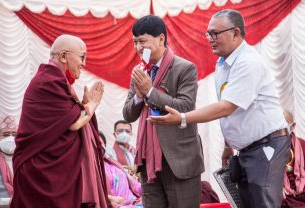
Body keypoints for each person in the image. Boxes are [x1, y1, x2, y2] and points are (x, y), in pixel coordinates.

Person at [148, 9, 290, 208]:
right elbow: (234, 111)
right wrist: (227, 146)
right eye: (208, 34)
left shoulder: (248, 62)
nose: (210, 39)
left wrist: (182, 117)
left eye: (216, 33)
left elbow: (226, 107)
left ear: (236, 33)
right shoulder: (223, 64)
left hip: (266, 146)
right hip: (246, 150)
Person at [11, 34, 110, 208]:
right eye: (82, 57)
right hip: (42, 173)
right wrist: (93, 104)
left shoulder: (57, 81)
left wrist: (84, 105)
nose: (84, 63)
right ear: (64, 56)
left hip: (57, 172)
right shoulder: (48, 81)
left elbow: (66, 119)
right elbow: (74, 123)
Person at [123, 15, 204, 208]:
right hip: (148, 160)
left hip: (179, 159)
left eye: (142, 41)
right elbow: (128, 114)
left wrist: (150, 91)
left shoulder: (184, 68)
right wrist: (140, 95)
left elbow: (185, 107)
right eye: (135, 43)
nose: (138, 48)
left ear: (161, 39)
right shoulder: (140, 71)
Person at [281, 110, 305, 207]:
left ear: (293, 126)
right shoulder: (269, 149)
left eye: (284, 125)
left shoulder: (303, 145)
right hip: (284, 196)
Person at [0, 116, 17, 208]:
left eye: (14, 135)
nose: (11, 138)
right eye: (6, 135)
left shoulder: (25, 161)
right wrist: (6, 202)